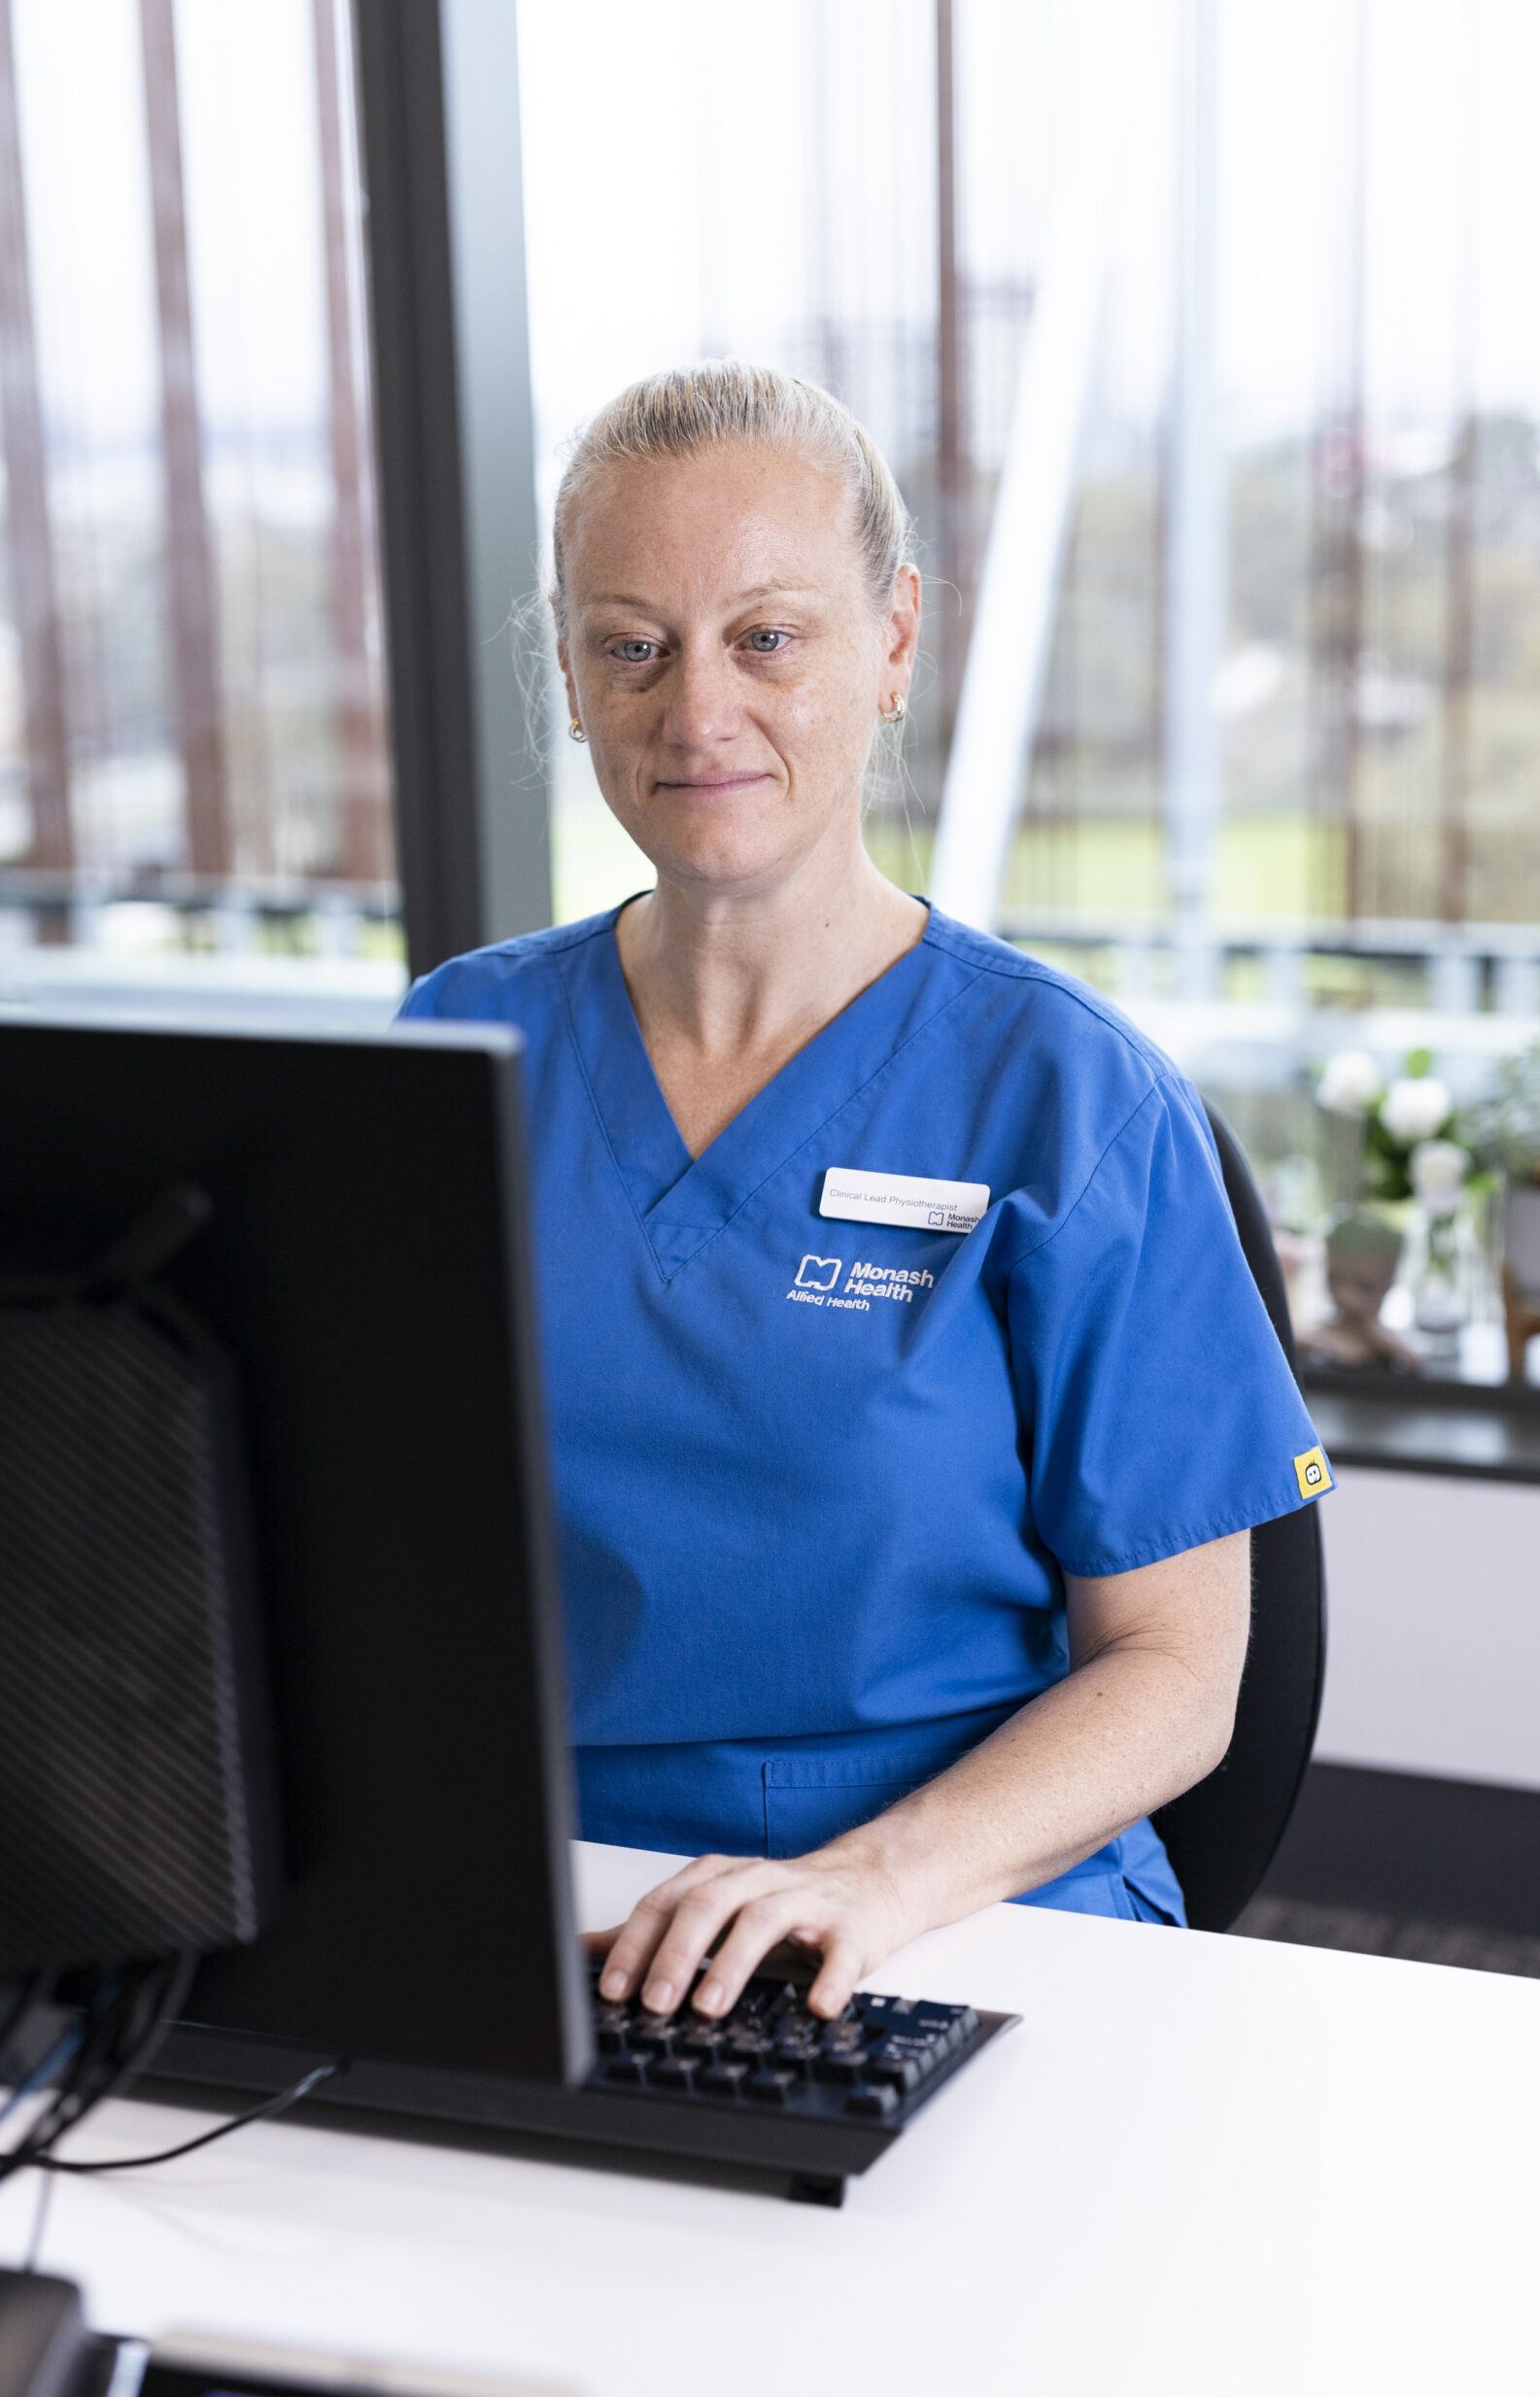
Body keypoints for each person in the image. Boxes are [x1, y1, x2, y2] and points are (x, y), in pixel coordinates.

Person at [399, 362, 1329, 2025]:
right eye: (632, 645)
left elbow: (1181, 1672)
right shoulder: (457, 1047)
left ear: (892, 640)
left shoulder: (1065, 1098)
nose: (697, 713)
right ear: (568, 673)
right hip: (560, 1904)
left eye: (766, 637)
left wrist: (875, 1879)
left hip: (964, 1911)